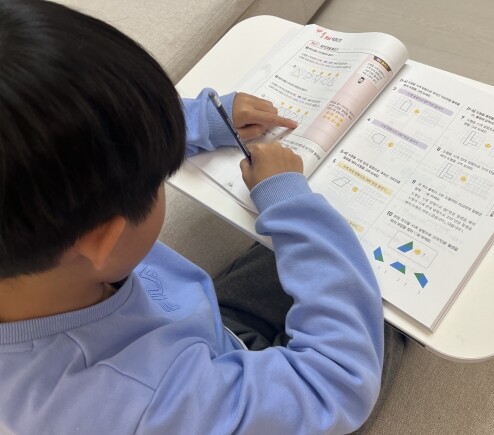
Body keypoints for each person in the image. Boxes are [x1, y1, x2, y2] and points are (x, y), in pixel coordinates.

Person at [0, 1, 404, 434]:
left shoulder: (46, 245)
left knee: (302, 253)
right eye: (159, 174)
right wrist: (288, 200)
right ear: (102, 238)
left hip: (198, 330)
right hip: (216, 390)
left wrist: (199, 120)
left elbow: (69, 139)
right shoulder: (143, 400)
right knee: (386, 304)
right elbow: (334, 386)